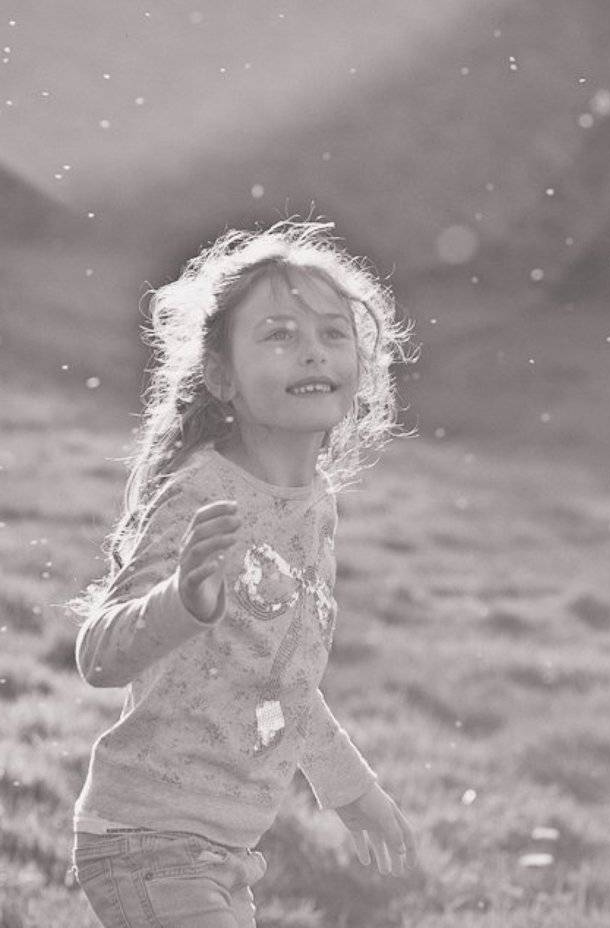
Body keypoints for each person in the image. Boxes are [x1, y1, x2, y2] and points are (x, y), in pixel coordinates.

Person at [67, 220, 419, 927]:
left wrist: (354, 792)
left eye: (332, 332)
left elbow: (284, 681)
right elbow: (100, 656)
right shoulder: (204, 495)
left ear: (360, 370)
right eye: (280, 334)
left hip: (227, 848)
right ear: (221, 375)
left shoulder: (314, 507)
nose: (312, 349)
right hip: (150, 839)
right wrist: (183, 600)